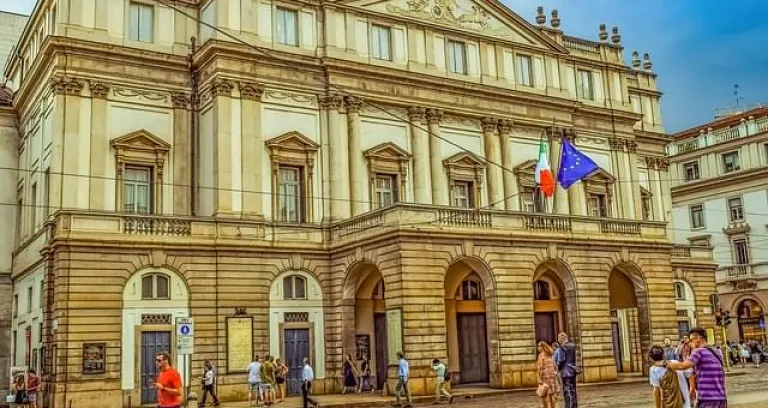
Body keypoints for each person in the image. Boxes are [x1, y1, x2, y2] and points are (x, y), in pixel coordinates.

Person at [667, 328, 727, 408]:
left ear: (699, 338)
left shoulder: (698, 351)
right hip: (721, 398)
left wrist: (665, 363)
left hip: (708, 399)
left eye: (691, 340)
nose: (690, 343)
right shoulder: (716, 352)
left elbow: (682, 366)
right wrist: (692, 388)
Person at [555, 332, 578, 408]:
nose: (558, 340)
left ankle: (568, 406)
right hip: (573, 370)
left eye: (559, 338)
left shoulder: (562, 347)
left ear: (563, 338)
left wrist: (558, 368)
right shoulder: (572, 345)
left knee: (566, 390)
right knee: (573, 390)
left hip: (565, 371)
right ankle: (574, 406)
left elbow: (562, 359)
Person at [537, 342, 559, 408]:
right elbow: (555, 367)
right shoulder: (550, 355)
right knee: (552, 395)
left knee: (545, 396)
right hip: (552, 378)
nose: (538, 348)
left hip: (545, 377)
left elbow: (540, 368)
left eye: (539, 346)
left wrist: (539, 378)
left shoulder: (541, 356)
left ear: (542, 347)